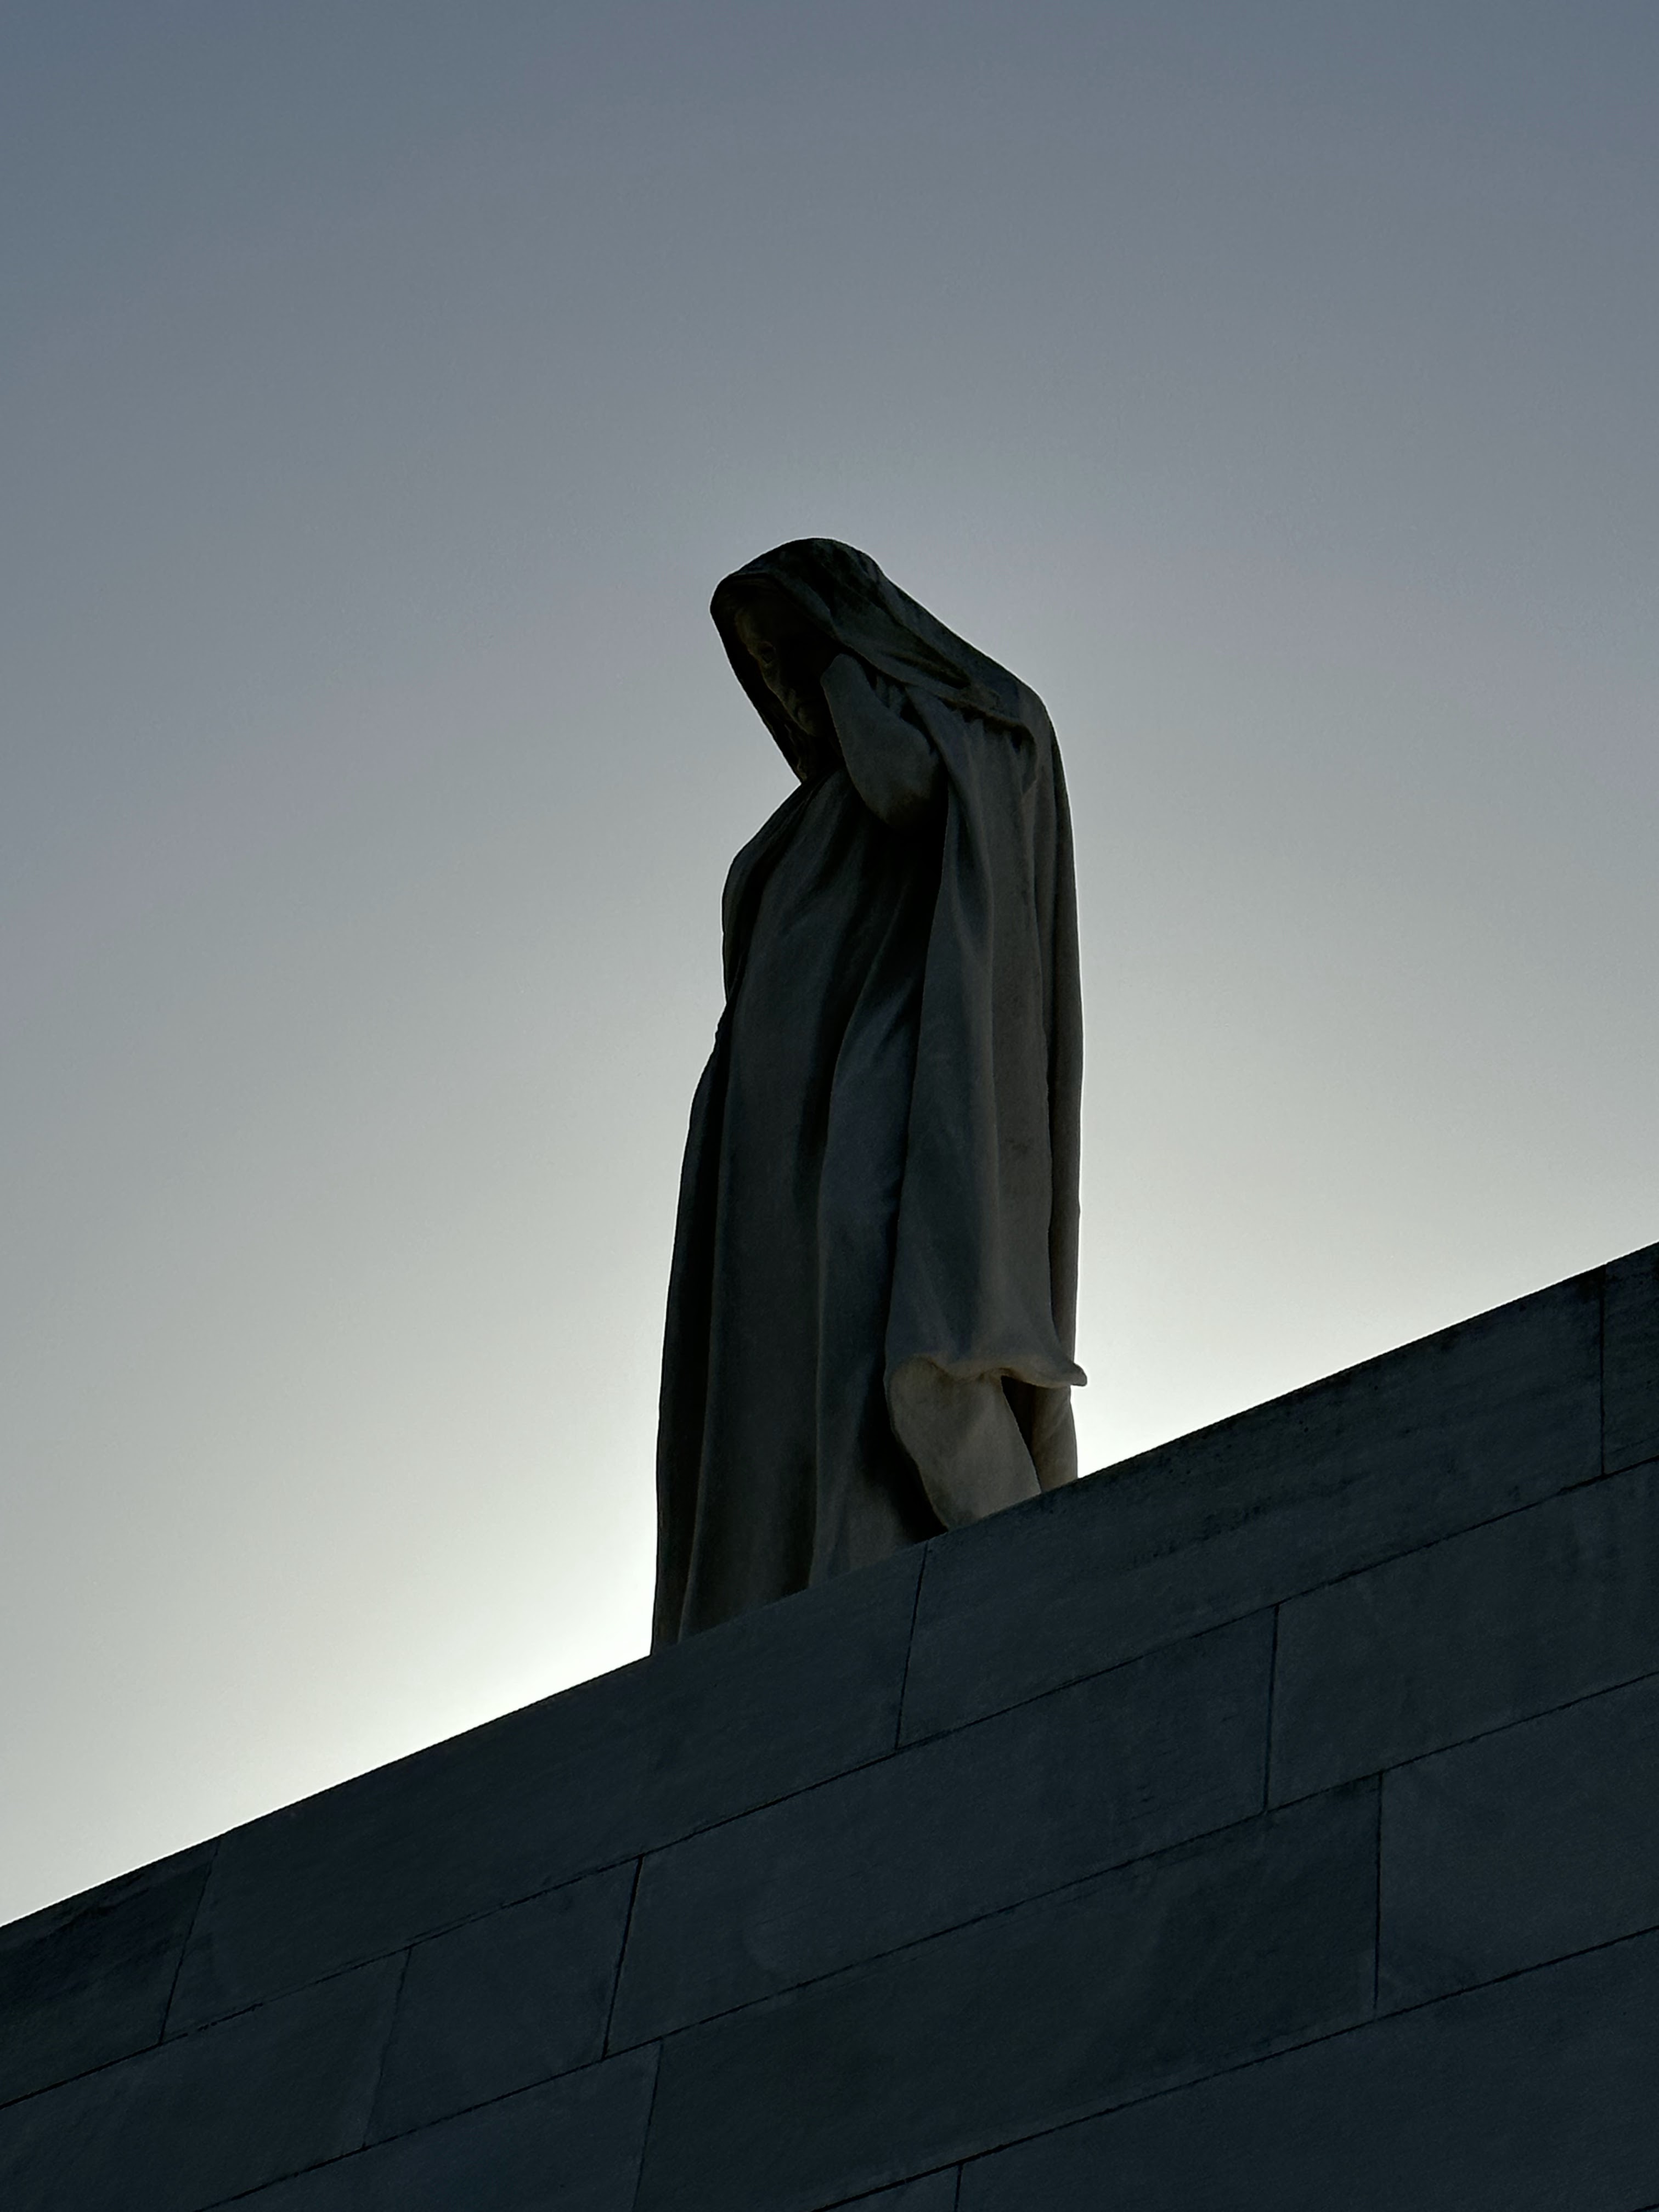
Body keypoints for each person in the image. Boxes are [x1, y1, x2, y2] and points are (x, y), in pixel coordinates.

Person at [652, 538, 1084, 1647]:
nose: (787, 684)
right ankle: (774, 1590)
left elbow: (912, 788)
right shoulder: (788, 838)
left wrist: (853, 677)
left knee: (877, 1267)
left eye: (795, 648)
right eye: (769, 669)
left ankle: (880, 1549)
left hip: (895, 1062)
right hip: (766, 1133)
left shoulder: (978, 727)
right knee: (773, 1362)